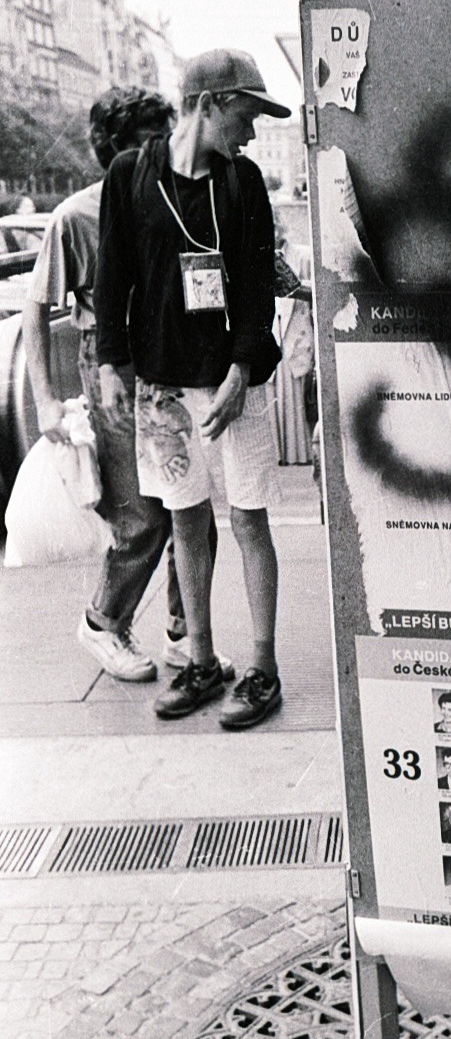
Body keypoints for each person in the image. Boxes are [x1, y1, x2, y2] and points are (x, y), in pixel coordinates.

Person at [95, 50, 290, 726]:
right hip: (163, 389)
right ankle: (201, 659)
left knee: (249, 518)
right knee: (186, 520)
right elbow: (113, 275)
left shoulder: (243, 184)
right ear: (208, 104)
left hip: (234, 381)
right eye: (247, 114)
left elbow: (258, 287)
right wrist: (111, 365)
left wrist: (243, 369)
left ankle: (262, 668)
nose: (253, 131)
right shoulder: (131, 175)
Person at [21, 85, 220, 683]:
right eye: (145, 142)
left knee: (192, 509)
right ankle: (104, 621)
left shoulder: (177, 197)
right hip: (110, 364)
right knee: (142, 516)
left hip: (170, 360)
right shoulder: (75, 216)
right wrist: (45, 399)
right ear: (114, 150)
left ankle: (188, 635)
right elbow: (36, 307)